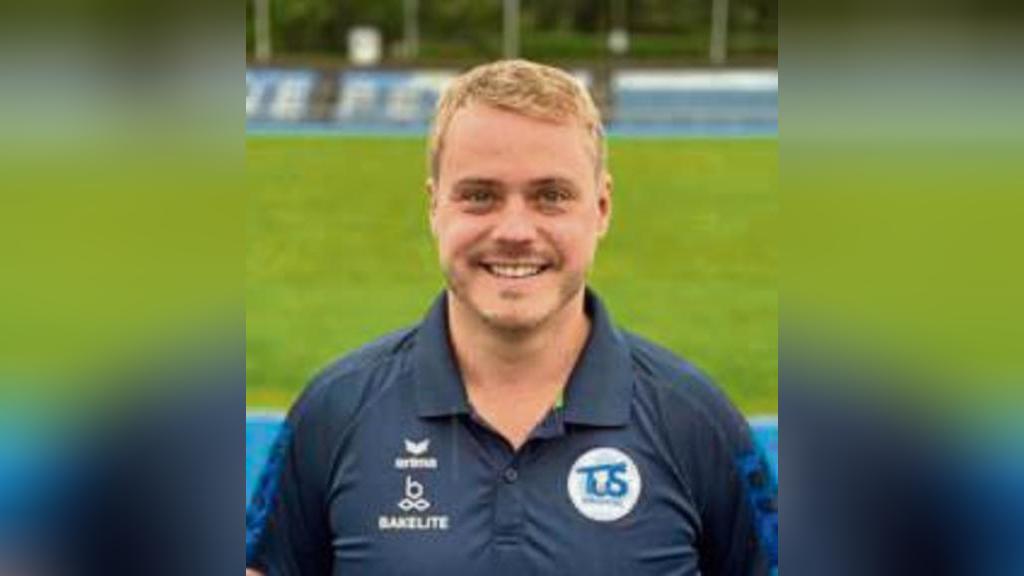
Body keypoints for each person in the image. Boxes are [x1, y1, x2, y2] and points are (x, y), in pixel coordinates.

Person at [245, 59, 777, 576]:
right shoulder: (335, 412)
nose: (515, 231)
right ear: (434, 207)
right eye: (480, 196)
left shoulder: (696, 422)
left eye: (552, 196)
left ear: (601, 207)